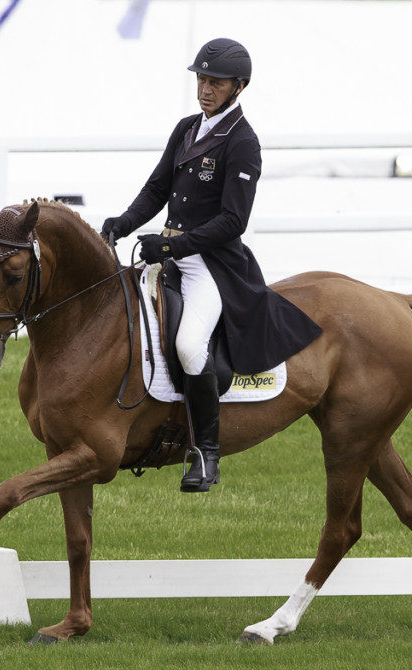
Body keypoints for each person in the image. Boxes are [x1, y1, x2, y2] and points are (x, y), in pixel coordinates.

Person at [101, 38, 322, 493]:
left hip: (211, 265)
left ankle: (206, 453)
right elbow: (157, 188)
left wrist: (174, 248)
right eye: (201, 80)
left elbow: (232, 221)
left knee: (188, 345)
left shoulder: (243, 142)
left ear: (238, 87)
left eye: (215, 83)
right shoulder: (186, 128)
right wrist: (121, 224)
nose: (205, 89)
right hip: (169, 254)